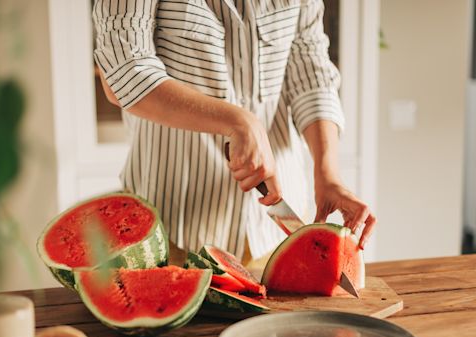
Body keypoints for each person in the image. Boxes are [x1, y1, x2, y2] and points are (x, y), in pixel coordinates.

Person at [92, 0, 376, 263]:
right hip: (170, 227)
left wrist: (327, 173)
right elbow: (124, 69)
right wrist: (239, 121)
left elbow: (309, 67)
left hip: (278, 231)